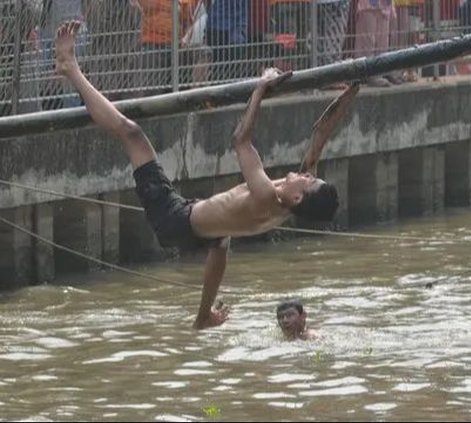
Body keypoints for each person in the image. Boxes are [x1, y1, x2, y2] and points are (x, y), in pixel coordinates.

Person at [54, 21, 340, 330]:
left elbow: (241, 139)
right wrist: (352, 86)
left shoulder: (267, 196)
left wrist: (260, 88)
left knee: (132, 133)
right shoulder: (287, 203)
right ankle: (203, 316)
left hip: (174, 217)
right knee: (221, 242)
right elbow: (319, 137)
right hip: (200, 230)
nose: (306, 174)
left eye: (309, 180)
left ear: (298, 197)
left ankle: (71, 69)